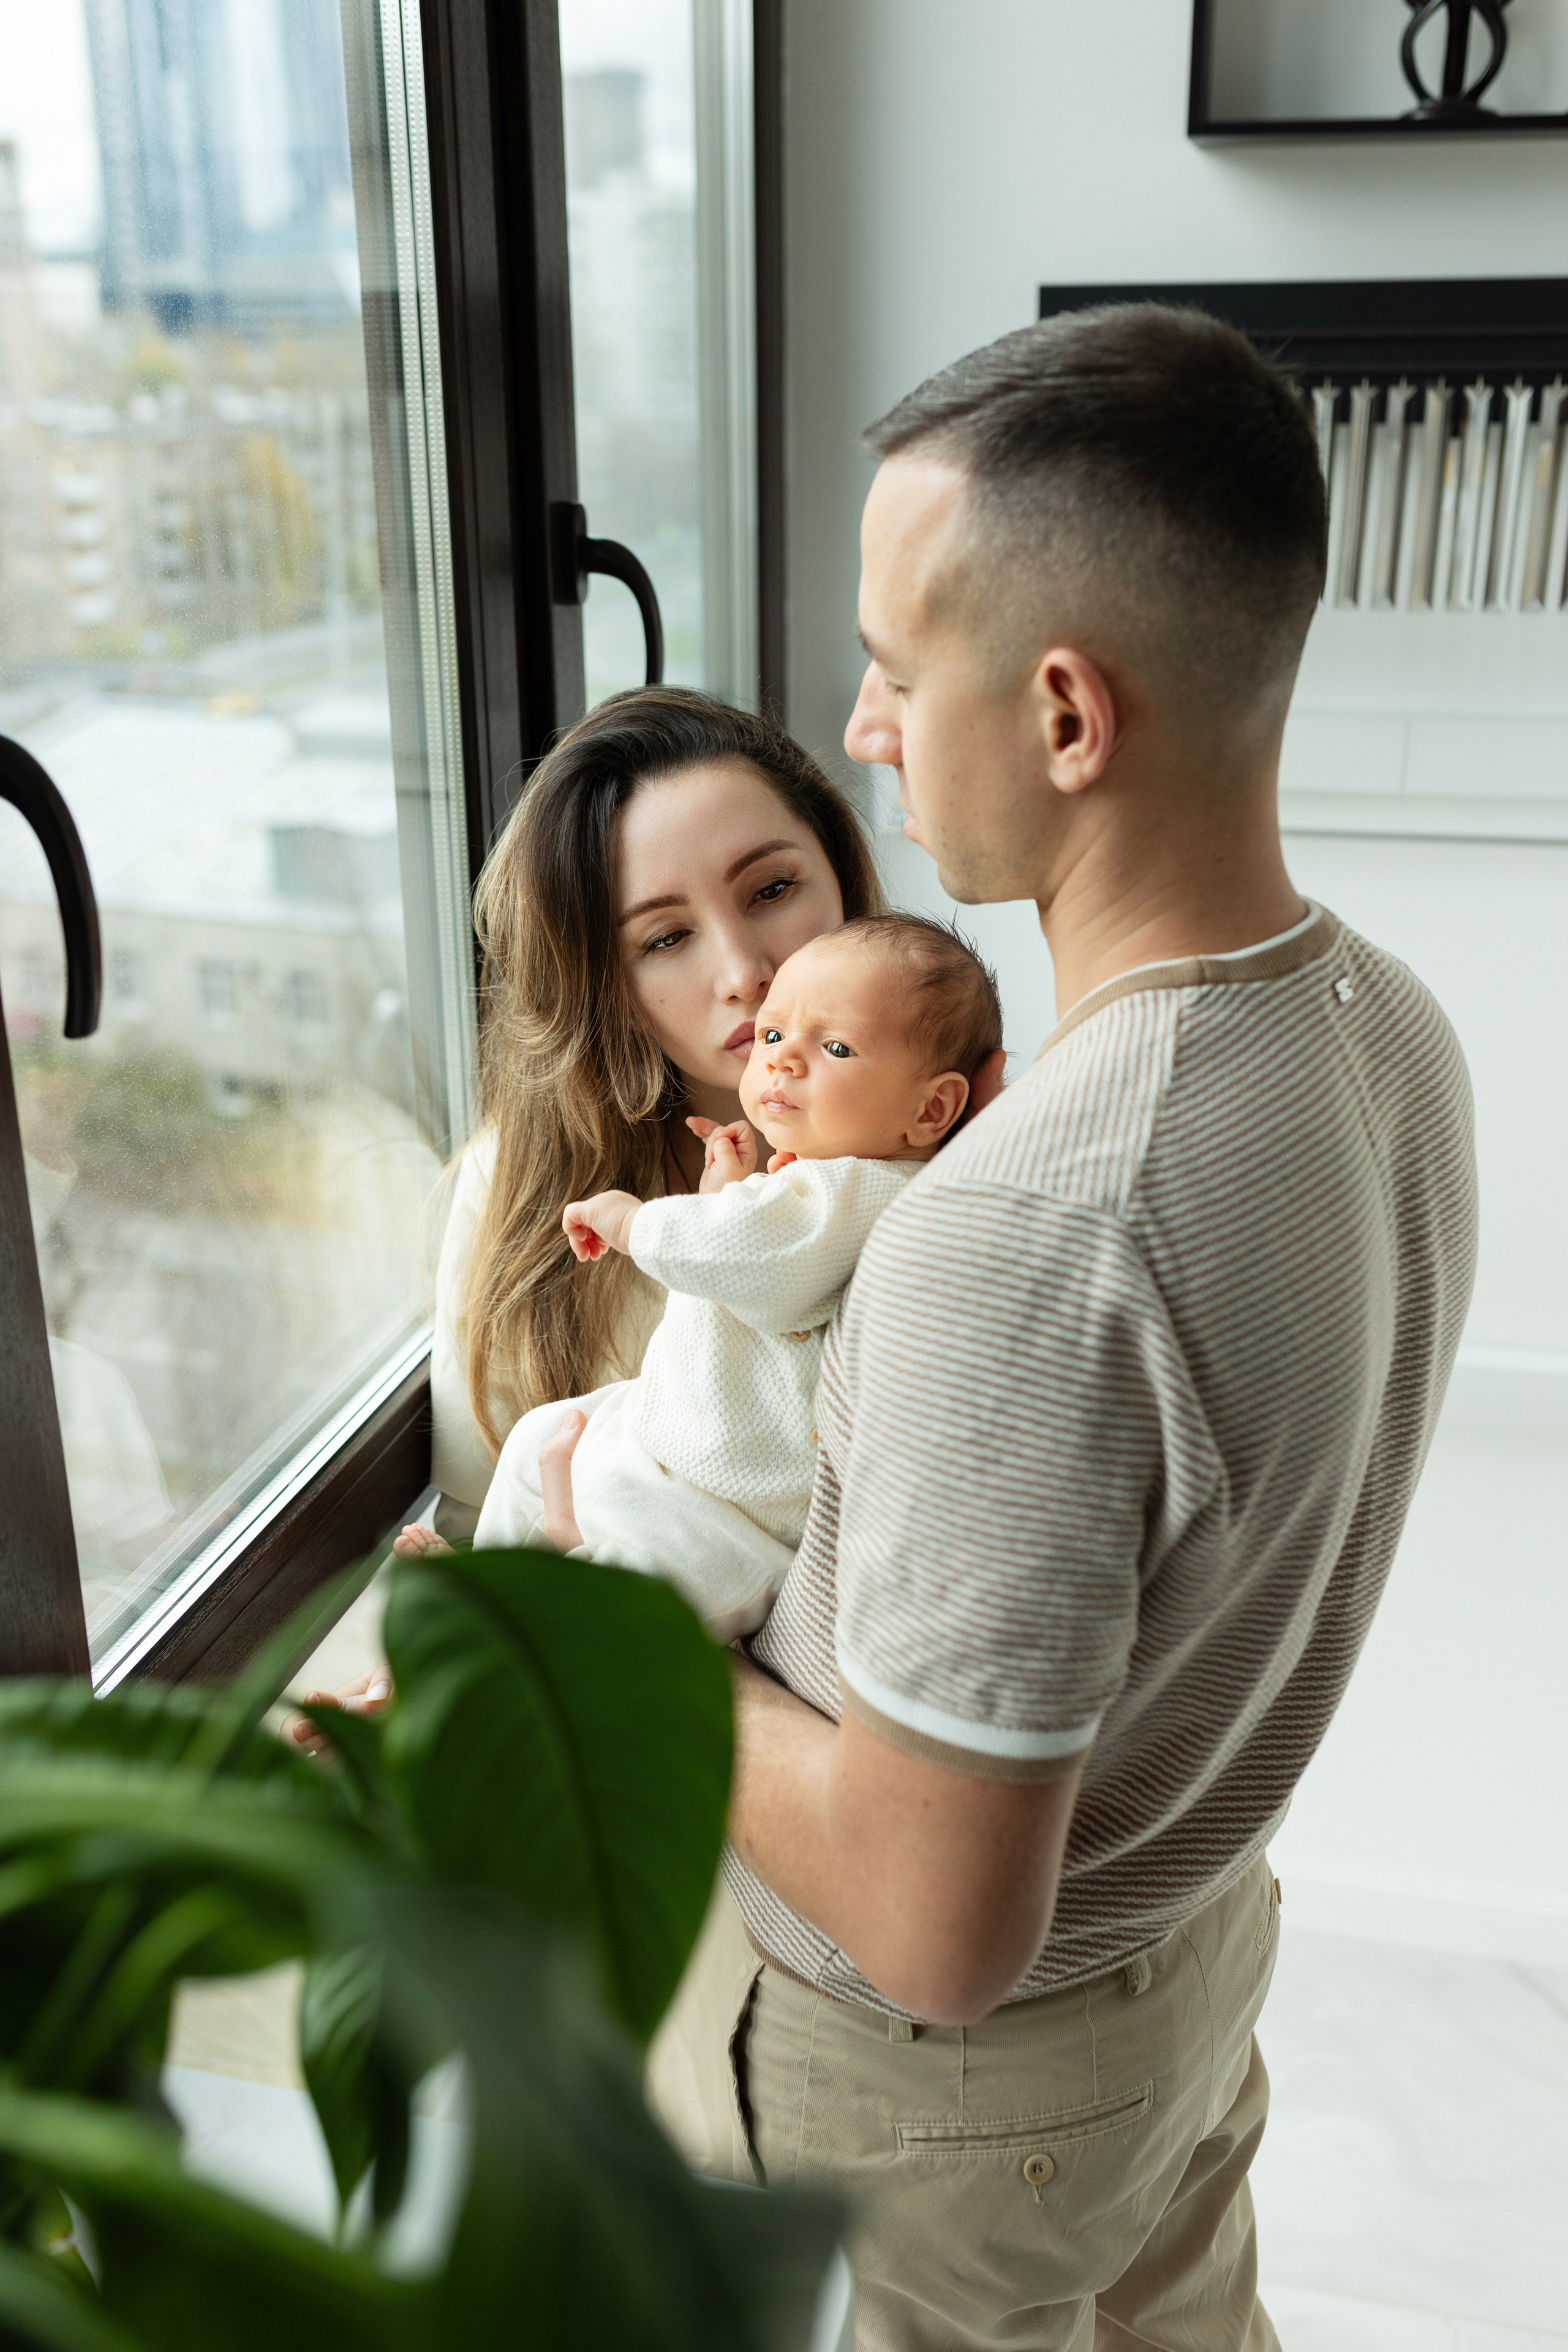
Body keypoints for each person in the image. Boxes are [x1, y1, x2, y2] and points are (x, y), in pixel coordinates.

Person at [546, 307, 1479, 2348]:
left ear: (1064, 715)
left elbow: (933, 1923)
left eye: (892, 668)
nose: (866, 726)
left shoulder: (1022, 1233)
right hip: (1185, 1963)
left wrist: (596, 1634)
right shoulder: (1393, 1030)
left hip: (949, 2100)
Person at [284, 687, 896, 1719]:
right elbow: (490, 1514)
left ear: (840, 876)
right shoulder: (523, 1195)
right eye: (664, 940)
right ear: (603, 983)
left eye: (772, 889)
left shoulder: (946, 1163)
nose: (747, 973)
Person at [461, 916, 1001, 1641]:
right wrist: (727, 1192)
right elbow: (760, 1273)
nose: (782, 1063)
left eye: (834, 1047)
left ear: (929, 1109)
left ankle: (509, 1634)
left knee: (627, 1598)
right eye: (773, 1036)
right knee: (536, 1439)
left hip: (735, 1513)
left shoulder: (863, 1191)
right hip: (671, 1442)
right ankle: (481, 1609)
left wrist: (635, 1223)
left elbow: (753, 1254)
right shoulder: (817, 1186)